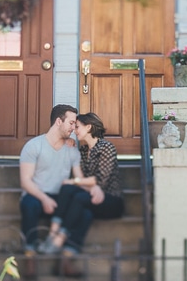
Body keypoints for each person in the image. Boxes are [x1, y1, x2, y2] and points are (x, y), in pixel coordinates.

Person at [37, 112, 125, 275]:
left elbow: (100, 180)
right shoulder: (84, 151)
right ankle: (63, 254)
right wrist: (90, 186)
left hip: (112, 201)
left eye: (77, 127)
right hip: (91, 198)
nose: (74, 130)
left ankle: (59, 238)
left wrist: (80, 183)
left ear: (89, 127)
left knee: (75, 194)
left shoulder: (106, 148)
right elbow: (87, 181)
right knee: (81, 209)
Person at [18, 104, 87, 277]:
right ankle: (30, 258)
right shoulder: (34, 146)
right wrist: (44, 199)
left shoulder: (71, 149)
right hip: (37, 196)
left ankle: (65, 260)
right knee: (29, 204)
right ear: (58, 121)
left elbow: (79, 178)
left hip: (61, 200)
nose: (74, 128)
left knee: (85, 212)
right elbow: (25, 182)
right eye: (71, 123)